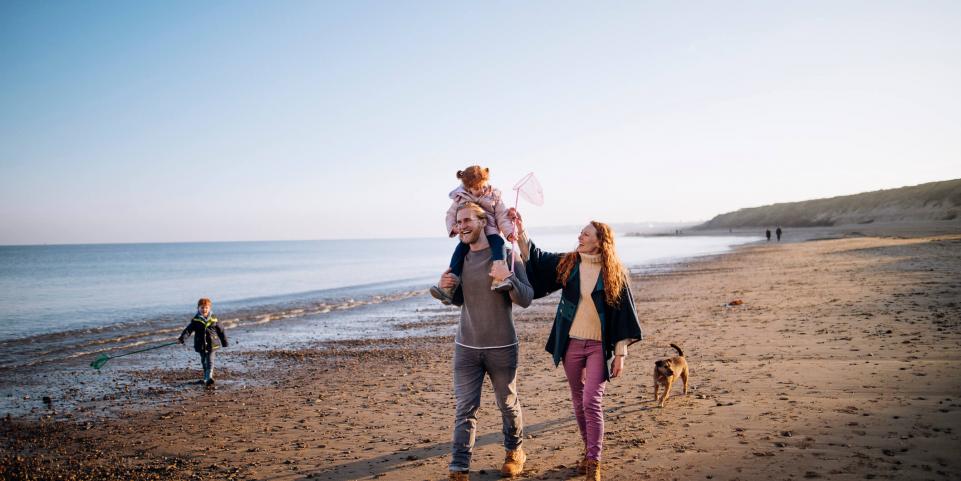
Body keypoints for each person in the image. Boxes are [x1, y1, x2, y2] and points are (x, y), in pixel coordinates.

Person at [510, 208, 642, 481]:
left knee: (592, 401)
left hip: (597, 347)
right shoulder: (570, 263)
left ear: (599, 241)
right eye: (581, 233)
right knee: (579, 401)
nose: (580, 236)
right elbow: (537, 258)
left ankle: (594, 461)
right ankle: (587, 450)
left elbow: (623, 316)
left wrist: (620, 354)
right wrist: (520, 230)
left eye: (586, 233)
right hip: (571, 344)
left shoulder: (613, 273)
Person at [437, 202, 533, 481]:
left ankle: (515, 452)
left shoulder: (506, 254)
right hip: (466, 346)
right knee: (465, 408)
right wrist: (447, 289)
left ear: (482, 222)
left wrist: (510, 278)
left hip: (502, 346)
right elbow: (459, 301)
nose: (462, 225)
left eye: (468, 220)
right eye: (458, 221)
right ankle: (459, 468)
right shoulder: (460, 258)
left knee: (507, 404)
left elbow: (525, 298)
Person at [431, 165, 517, 305]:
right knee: (459, 253)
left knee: (499, 245)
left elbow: (501, 216)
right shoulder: (460, 197)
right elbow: (450, 215)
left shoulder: (493, 195)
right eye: (477, 188)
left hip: (491, 231)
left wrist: (509, 233)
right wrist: (454, 228)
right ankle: (449, 287)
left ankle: (499, 279)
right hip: (469, 235)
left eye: (483, 186)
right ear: (467, 187)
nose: (482, 190)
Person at [178, 298, 228, 386]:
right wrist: (182, 338)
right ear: (198, 308)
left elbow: (221, 330)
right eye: (202, 308)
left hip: (212, 344)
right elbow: (188, 331)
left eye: (206, 308)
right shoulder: (195, 320)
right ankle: (205, 376)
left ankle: (209, 377)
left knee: (210, 360)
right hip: (200, 344)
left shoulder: (214, 319)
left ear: (209, 308)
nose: (204, 309)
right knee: (203, 360)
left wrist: (224, 342)